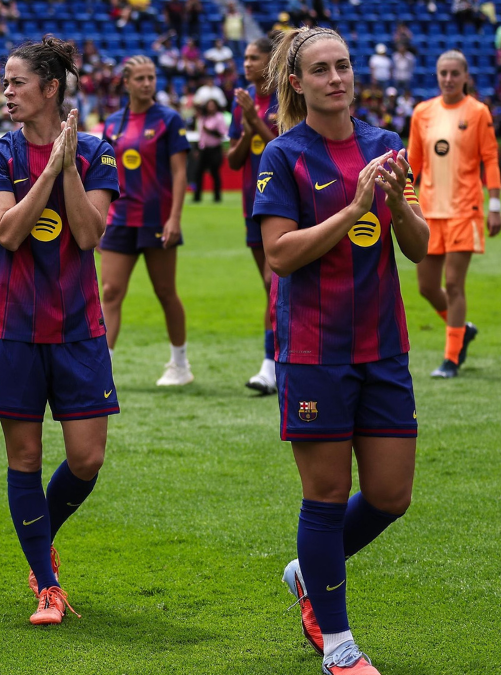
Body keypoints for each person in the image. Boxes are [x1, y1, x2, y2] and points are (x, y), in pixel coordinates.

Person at [255, 27, 428, 675]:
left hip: (382, 344)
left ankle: (308, 570)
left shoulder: (386, 146)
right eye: (321, 70)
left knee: (390, 494)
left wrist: (394, 205)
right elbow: (279, 253)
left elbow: (415, 246)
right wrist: (353, 206)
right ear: (297, 83)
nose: (337, 78)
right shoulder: (283, 155)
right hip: (314, 349)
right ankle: (339, 646)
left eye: (344, 66)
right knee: (326, 495)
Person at [0, 37, 119, 626]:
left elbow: (87, 234)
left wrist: (69, 166)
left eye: (16, 82)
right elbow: (8, 232)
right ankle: (46, 584)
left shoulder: (98, 152)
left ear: (50, 88)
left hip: (78, 325)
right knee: (25, 456)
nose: (6, 92)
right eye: (4, 83)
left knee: (87, 458)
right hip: (10, 326)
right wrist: (48, 170)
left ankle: (38, 537)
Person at [100, 55, 193, 386]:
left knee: (166, 292)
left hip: (157, 219)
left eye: (151, 77)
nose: (147, 83)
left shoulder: (169, 119)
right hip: (120, 218)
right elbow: (103, 174)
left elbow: (181, 173)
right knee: (110, 292)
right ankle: (102, 368)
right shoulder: (112, 124)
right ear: (126, 83)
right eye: (140, 78)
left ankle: (180, 365)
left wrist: (175, 218)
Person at [408, 50, 500, 378]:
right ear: (436, 75)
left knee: (453, 283)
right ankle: (463, 330)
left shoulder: (477, 112)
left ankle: (451, 357)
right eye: (442, 73)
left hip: (466, 210)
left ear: (465, 76)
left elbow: (490, 158)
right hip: (430, 211)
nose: (448, 79)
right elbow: (414, 163)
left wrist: (495, 205)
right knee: (427, 286)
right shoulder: (423, 112)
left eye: (454, 73)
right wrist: (405, 202)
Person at [227, 35, 281, 394]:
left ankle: (270, 367)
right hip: (253, 204)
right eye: (244, 58)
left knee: (272, 282)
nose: (247, 64)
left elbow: (281, 145)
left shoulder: (286, 98)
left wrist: (254, 119)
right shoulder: (243, 101)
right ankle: (278, 359)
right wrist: (247, 129)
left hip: (282, 201)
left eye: (254, 57)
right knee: (271, 287)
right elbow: (233, 160)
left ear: (270, 61)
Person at [193, 98, 227, 202]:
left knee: (215, 173)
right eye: (209, 105)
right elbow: (200, 135)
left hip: (215, 148)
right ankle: (197, 197)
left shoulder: (219, 118)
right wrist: (198, 149)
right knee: (198, 173)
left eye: (213, 105)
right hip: (204, 148)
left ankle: (217, 196)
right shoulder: (202, 118)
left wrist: (210, 131)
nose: (210, 107)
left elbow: (222, 134)